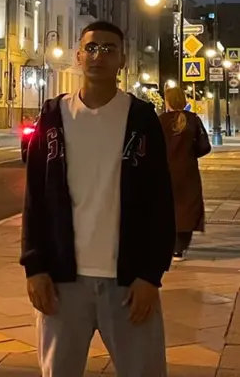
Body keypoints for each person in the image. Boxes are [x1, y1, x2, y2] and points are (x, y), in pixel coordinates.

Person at [20, 20, 175, 377]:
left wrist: (151, 275)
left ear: (122, 59)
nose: (98, 56)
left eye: (108, 49)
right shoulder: (53, 117)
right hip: (62, 282)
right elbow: (35, 198)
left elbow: (160, 200)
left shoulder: (140, 119)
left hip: (128, 282)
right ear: (78, 55)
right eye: (91, 48)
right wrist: (35, 267)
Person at [160, 86, 211, 261]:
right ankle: (179, 248)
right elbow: (205, 146)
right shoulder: (193, 120)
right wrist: (189, 154)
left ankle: (167, 244)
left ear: (168, 101)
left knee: (166, 206)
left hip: (165, 172)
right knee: (187, 208)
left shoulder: (160, 120)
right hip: (187, 172)